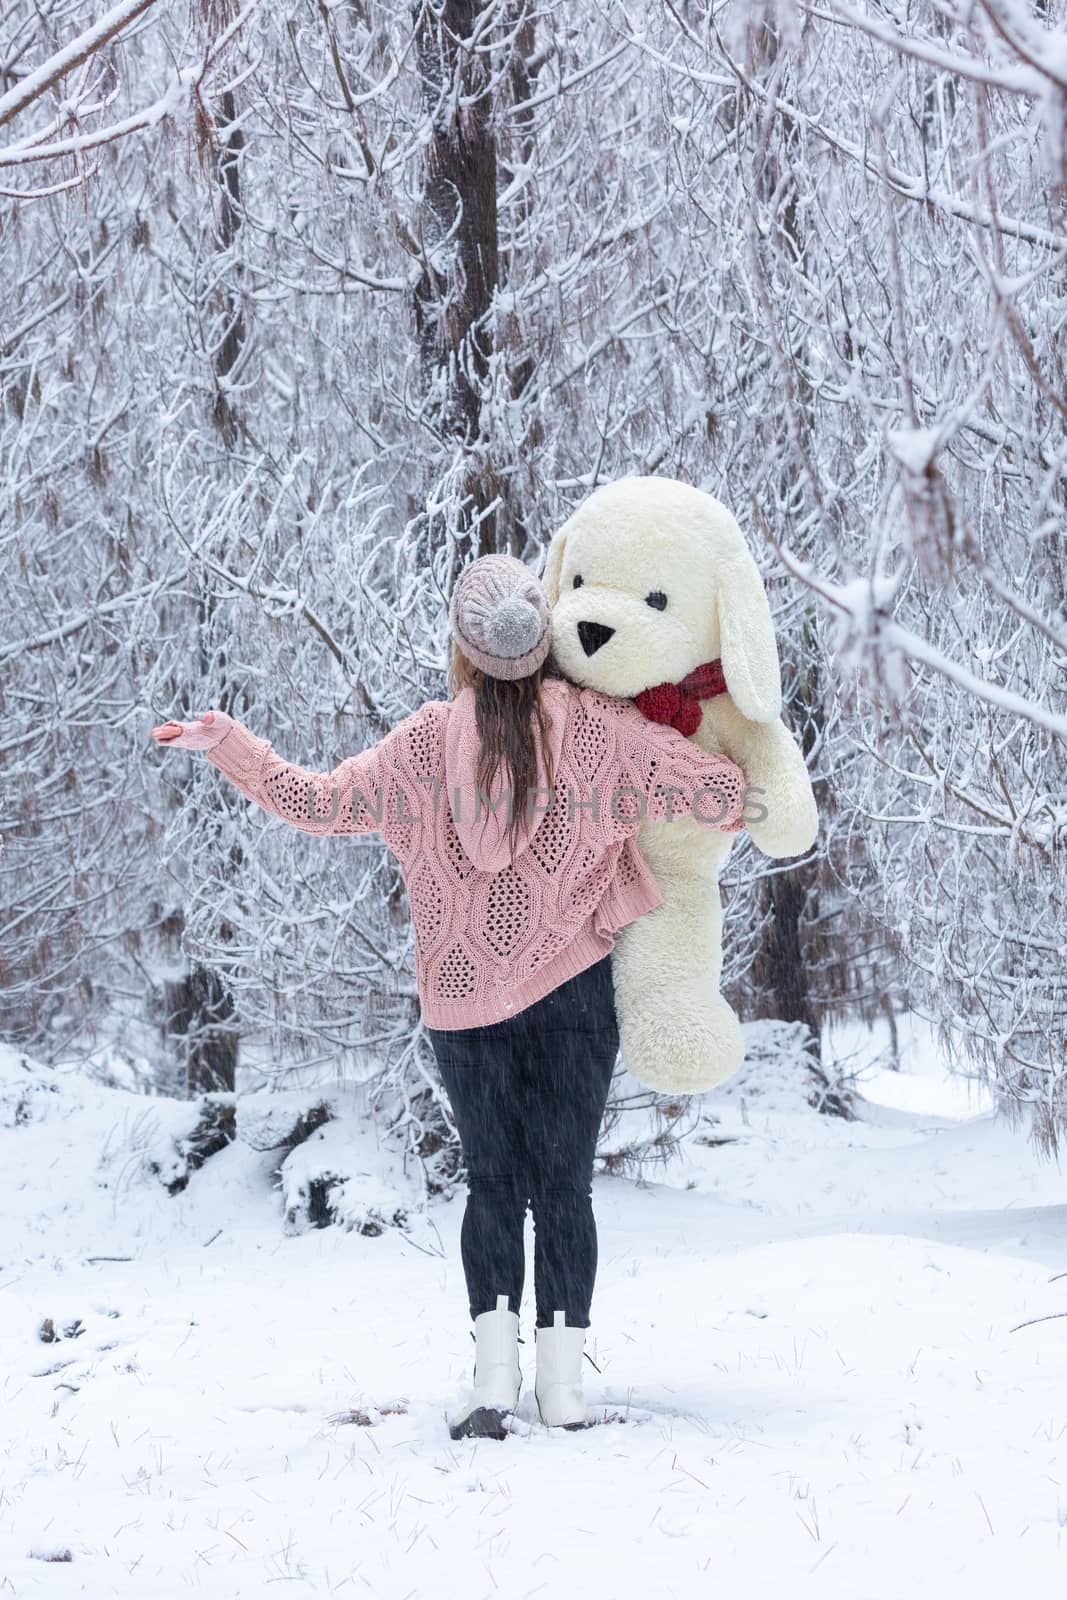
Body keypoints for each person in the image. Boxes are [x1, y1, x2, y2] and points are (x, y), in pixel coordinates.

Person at [151, 553, 747, 1438]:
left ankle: (492, 1381)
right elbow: (723, 797)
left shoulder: (424, 743)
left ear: (463, 648)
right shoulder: (601, 730)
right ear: (544, 637)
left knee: (492, 1184)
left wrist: (228, 744)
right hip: (576, 992)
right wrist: (678, 714)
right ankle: (563, 1387)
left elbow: (313, 803)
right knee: (566, 1189)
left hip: (464, 1002)